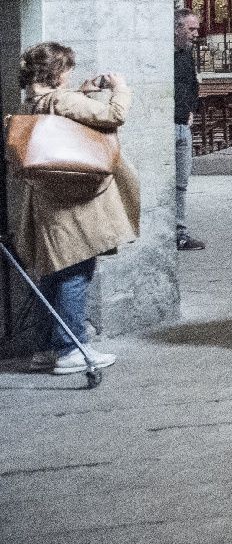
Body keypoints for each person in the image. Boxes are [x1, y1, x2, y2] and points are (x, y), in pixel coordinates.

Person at [15, 43, 138, 375]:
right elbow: (115, 115)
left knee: (51, 272)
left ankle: (44, 348)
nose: (69, 76)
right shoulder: (63, 100)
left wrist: (81, 95)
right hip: (72, 201)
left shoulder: (31, 102)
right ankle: (71, 348)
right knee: (76, 270)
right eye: (66, 70)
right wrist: (120, 89)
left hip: (47, 199)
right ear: (56, 72)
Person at [171, 8, 206, 250]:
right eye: (191, 29)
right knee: (167, 183)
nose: (196, 34)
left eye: (196, 28)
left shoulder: (186, 55)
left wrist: (191, 110)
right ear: (177, 28)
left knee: (182, 182)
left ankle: (180, 232)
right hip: (168, 125)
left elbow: (192, 85)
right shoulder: (165, 55)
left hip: (184, 124)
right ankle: (168, 232)